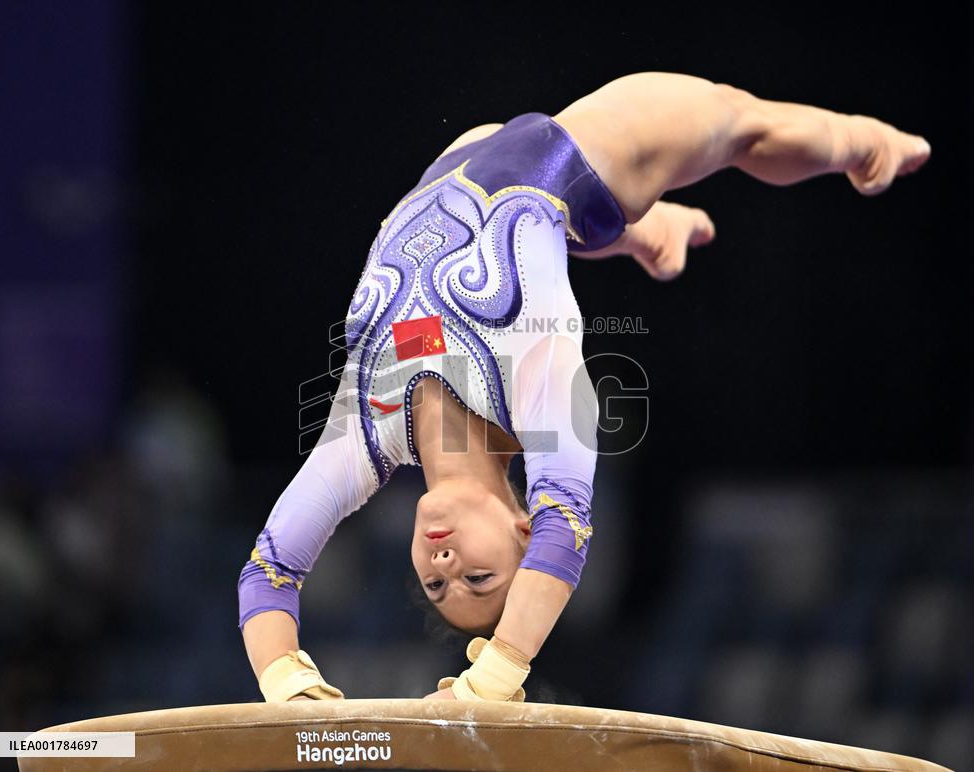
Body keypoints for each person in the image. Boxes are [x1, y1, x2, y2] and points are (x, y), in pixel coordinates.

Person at [236, 71, 931, 703]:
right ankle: (861, 142)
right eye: (477, 578)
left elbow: (269, 568)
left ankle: (645, 232)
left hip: (451, 169)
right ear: (520, 527)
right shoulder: (539, 392)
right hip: (567, 162)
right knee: (739, 121)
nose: (444, 564)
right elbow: (566, 525)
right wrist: (503, 670)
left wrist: (285, 683)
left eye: (435, 582)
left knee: (573, 223)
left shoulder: (366, 430)